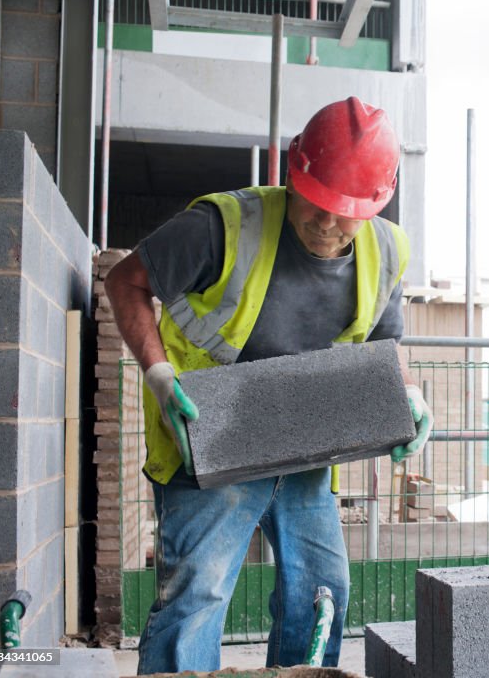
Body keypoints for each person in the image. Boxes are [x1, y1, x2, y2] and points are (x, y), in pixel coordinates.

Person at [105, 96, 433, 674]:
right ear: (293, 173)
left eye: (346, 210)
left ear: (378, 202)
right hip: (212, 439)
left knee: (321, 596)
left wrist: (408, 395)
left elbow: (384, 347)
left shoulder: (388, 250)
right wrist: (160, 378)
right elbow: (126, 280)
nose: (328, 222)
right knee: (197, 600)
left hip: (306, 447)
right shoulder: (221, 227)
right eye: (317, 202)